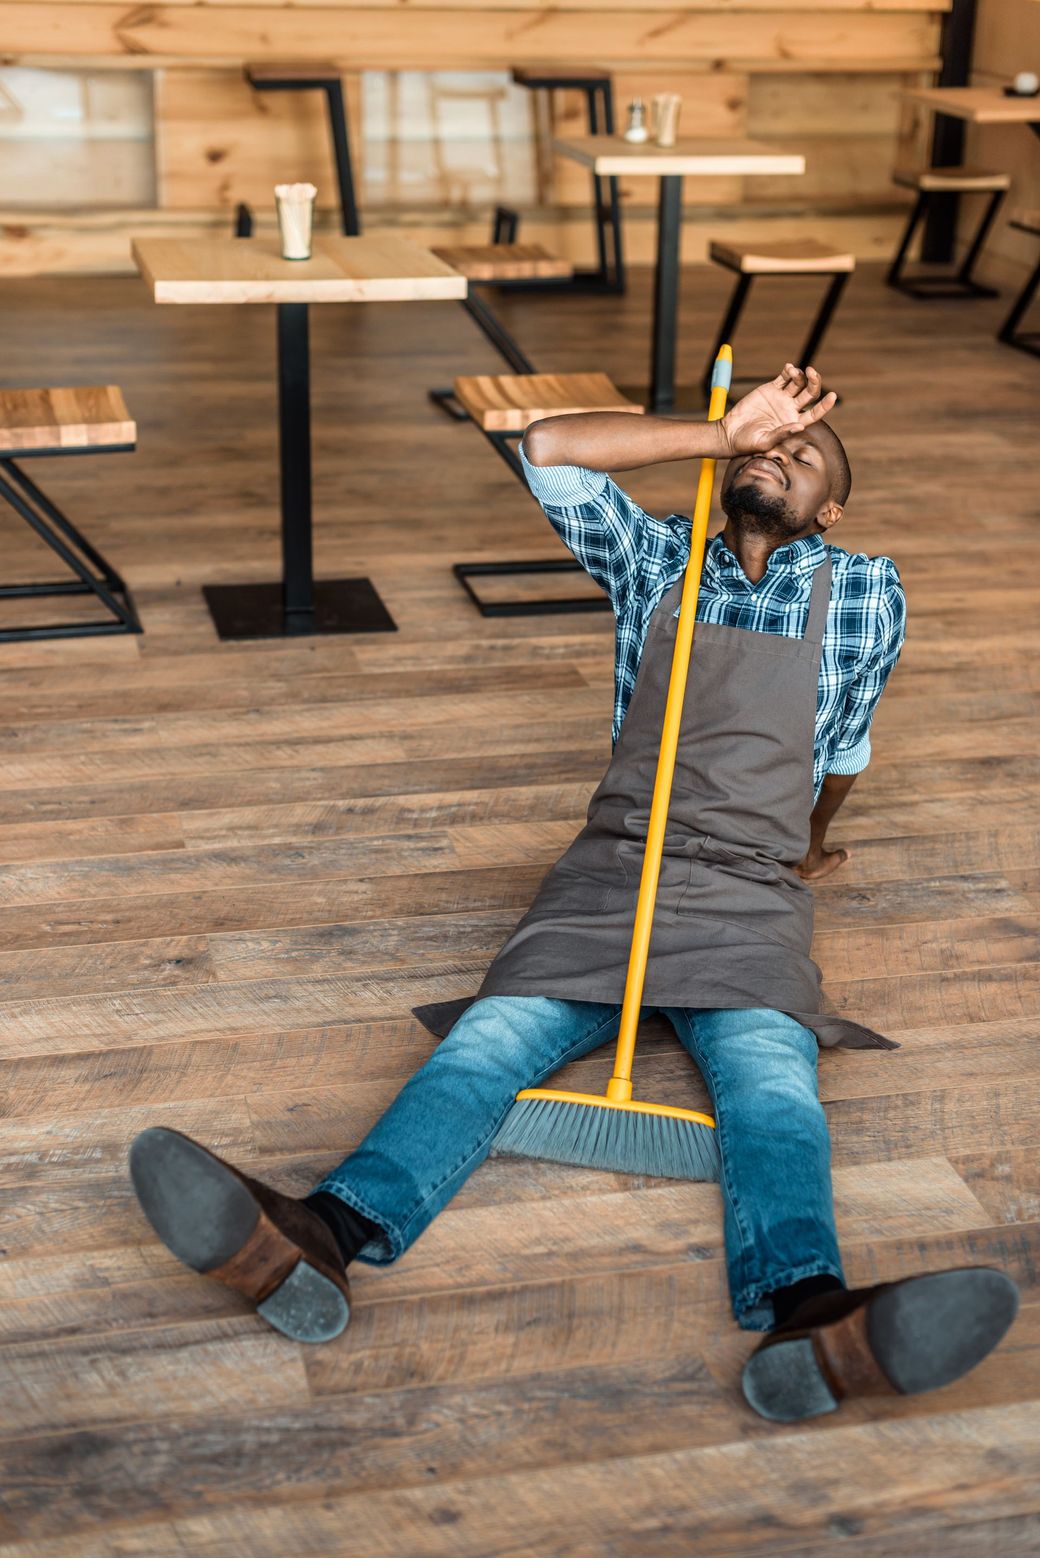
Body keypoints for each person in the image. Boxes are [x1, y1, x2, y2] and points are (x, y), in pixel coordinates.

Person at [129, 364, 1018, 1422]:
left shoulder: (868, 589)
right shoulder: (653, 558)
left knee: (772, 1083)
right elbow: (546, 448)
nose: (775, 456)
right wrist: (715, 429)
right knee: (485, 1043)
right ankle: (321, 1234)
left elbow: (846, 745)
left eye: (804, 455)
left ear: (831, 506)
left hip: (746, 889)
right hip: (612, 869)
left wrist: (810, 846)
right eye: (761, 447)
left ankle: (809, 1310)